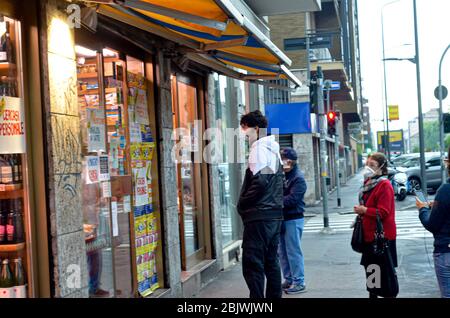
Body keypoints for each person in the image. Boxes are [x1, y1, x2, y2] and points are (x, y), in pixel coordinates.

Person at [237, 110, 284, 299]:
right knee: (271, 262)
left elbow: (260, 182)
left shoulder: (259, 148)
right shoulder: (274, 150)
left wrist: (243, 202)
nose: (243, 134)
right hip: (274, 215)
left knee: (253, 264)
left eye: (245, 129)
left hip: (259, 216)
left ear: (256, 128)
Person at [354, 152, 397, 298]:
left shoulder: (384, 185)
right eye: (367, 164)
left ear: (382, 168)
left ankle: (385, 294)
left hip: (382, 237)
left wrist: (364, 210)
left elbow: (384, 212)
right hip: (369, 236)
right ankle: (373, 294)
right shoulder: (368, 183)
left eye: (372, 165)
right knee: (371, 271)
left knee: (384, 272)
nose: (368, 168)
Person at [416, 149, 450, 298]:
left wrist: (423, 209)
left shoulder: (445, 191)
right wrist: (436, 205)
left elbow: (432, 224)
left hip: (446, 251)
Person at [278, 147, 307, 294]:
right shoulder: (283, 175)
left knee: (293, 251)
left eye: (283, 159)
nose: (281, 162)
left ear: (291, 161)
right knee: (282, 251)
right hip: (283, 218)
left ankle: (299, 282)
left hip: (293, 219)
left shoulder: (298, 178)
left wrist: (276, 201)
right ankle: (289, 279)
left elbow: (293, 200)